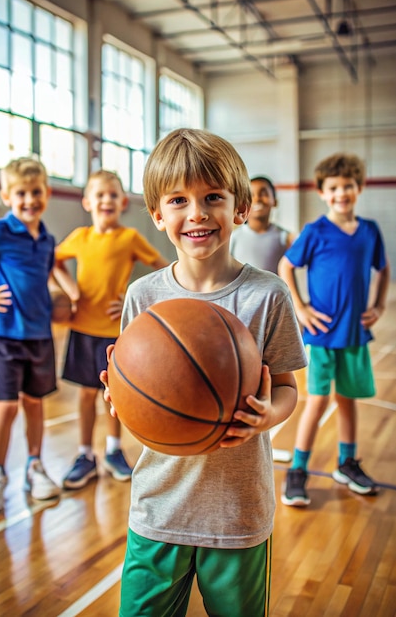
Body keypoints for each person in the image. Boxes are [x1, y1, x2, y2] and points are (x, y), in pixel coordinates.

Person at [100, 129, 307, 616]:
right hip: (157, 507)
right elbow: (132, 389)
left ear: (240, 208)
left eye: (213, 197)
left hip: (237, 513)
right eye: (178, 200)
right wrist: (122, 400)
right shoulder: (143, 297)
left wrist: (264, 417)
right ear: (157, 214)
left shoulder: (267, 295)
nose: (196, 213)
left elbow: (286, 389)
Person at [279, 153, 390, 507]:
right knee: (317, 401)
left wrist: (379, 304)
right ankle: (298, 469)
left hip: (354, 333)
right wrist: (300, 307)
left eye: (348, 186)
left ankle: (347, 462)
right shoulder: (315, 231)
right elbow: (286, 265)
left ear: (359, 188)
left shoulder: (370, 231)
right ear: (322, 193)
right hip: (323, 334)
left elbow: (383, 269)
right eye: (334, 188)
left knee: (348, 400)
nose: (342, 193)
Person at [55, 170, 169, 489]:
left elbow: (165, 269)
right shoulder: (80, 236)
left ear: (122, 202)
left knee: (113, 396)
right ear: (87, 202)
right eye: (100, 195)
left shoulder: (129, 238)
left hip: (115, 332)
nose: (107, 200)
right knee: (85, 395)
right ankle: (84, 454)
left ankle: (114, 450)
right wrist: (70, 292)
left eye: (113, 194)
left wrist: (134, 296)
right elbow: (54, 261)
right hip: (82, 328)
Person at [0, 157, 62, 513]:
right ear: (7, 196)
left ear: (47, 193)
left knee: (34, 402)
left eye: (36, 192)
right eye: (22, 193)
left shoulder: (46, 239)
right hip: (5, 335)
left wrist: (64, 303)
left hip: (40, 335)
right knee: (7, 404)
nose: (30, 200)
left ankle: (35, 466)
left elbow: (43, 280)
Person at [230, 174, 296, 463]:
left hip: (268, 320)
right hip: (234, 318)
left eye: (265, 193)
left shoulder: (284, 237)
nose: (259, 199)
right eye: (253, 194)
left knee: (268, 382)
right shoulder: (234, 236)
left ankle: (261, 435)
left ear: (274, 200)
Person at [230, 175, 295, 274]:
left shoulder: (286, 238)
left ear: (275, 201)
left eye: (263, 193)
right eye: (251, 195)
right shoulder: (233, 238)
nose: (257, 199)